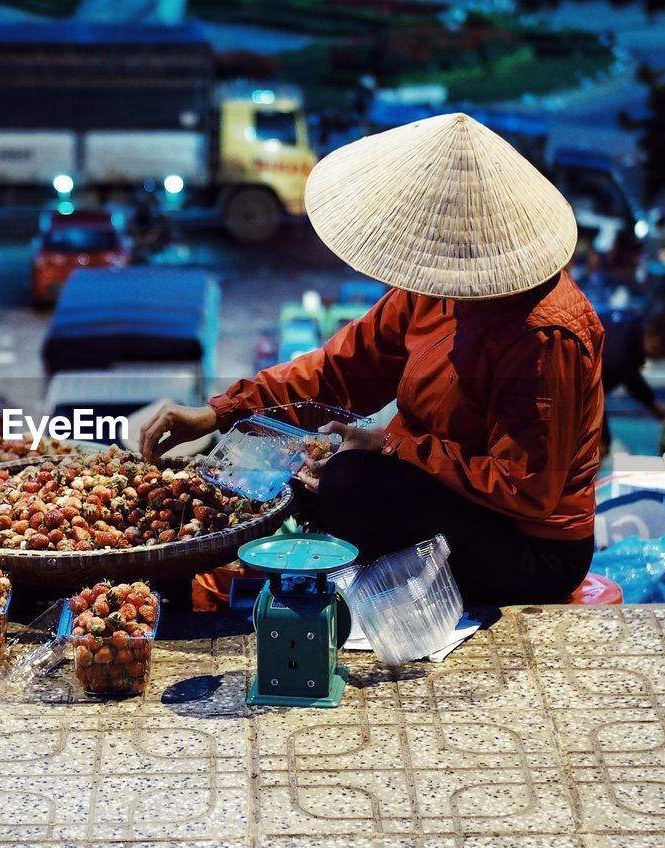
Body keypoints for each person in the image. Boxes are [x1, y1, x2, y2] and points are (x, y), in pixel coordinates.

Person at [141, 112, 605, 606]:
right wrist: (222, 411)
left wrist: (389, 447)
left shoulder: (545, 333)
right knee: (291, 468)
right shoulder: (436, 289)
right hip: (447, 497)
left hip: (529, 544)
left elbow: (524, 488)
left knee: (349, 482)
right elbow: (339, 372)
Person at [599, 308, 665, 451]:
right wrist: (603, 440)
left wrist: (652, 404)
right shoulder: (618, 359)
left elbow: (630, 375)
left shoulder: (633, 322)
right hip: (564, 390)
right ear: (658, 344)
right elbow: (588, 398)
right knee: (600, 448)